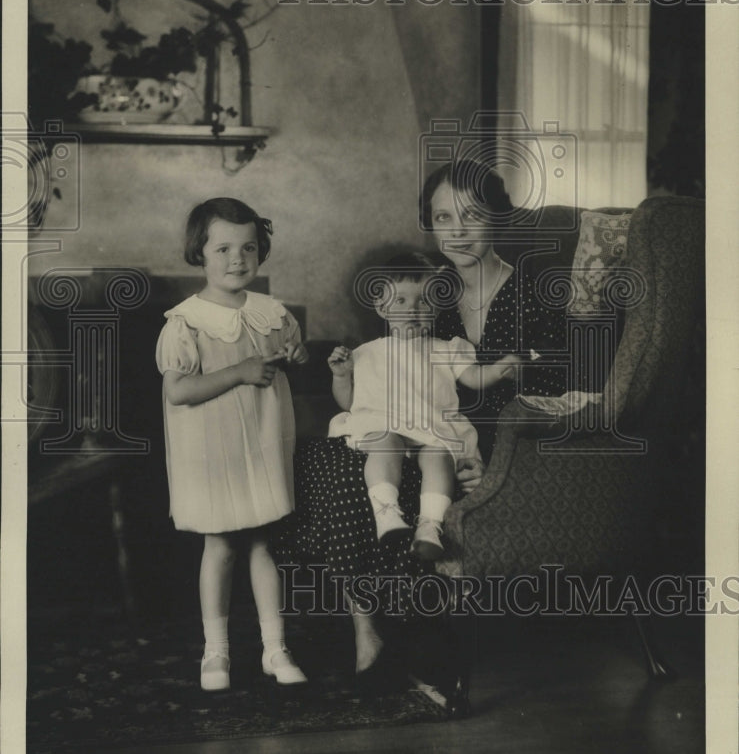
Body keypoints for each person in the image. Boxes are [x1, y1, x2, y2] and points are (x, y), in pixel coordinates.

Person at [272, 160, 566, 677]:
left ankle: (411, 626)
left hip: (473, 450)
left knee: (392, 476)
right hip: (406, 435)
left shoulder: (533, 293)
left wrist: (496, 463)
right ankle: (369, 626)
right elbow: (386, 378)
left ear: (498, 216)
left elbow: (549, 393)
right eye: (442, 216)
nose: (455, 231)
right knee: (326, 464)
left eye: (471, 215)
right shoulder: (428, 293)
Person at [156, 197, 309, 691]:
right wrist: (240, 372)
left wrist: (296, 353)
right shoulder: (186, 321)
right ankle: (215, 653)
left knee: (264, 542)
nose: (237, 259)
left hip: (260, 442)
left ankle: (274, 647)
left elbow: (288, 360)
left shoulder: (272, 312)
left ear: (261, 251)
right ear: (199, 253)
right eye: (222, 248)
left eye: (247, 247)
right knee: (220, 545)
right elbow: (178, 391)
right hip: (214, 449)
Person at [327, 252, 524, 560]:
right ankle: (387, 514)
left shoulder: (448, 349)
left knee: (440, 457)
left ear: (436, 307)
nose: (413, 310)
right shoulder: (366, 353)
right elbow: (352, 402)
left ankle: (430, 527)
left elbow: (473, 378)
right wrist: (341, 375)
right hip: (386, 423)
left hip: (432, 426)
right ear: (381, 306)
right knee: (384, 443)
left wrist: (498, 370)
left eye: (423, 301)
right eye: (401, 301)